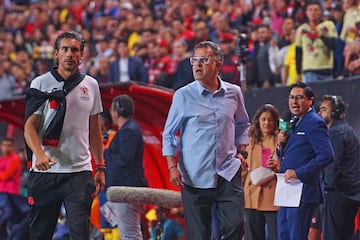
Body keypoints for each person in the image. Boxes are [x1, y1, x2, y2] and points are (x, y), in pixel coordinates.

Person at [162, 41, 250, 240]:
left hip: (228, 171)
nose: (197, 65)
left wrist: (242, 152)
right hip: (194, 176)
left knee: (236, 225)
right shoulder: (183, 95)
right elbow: (168, 133)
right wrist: (171, 166)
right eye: (195, 60)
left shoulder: (234, 93)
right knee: (199, 235)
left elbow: (243, 124)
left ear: (218, 63)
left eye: (204, 60)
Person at [24, 31, 105, 240]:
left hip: (80, 172)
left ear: (82, 55)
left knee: (80, 233)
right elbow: (29, 127)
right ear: (57, 54)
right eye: (65, 49)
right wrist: (39, 154)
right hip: (45, 171)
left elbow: (95, 129)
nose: (70, 54)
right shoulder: (40, 84)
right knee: (40, 234)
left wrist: (100, 165)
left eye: (75, 50)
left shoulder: (92, 85)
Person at [276, 82, 334, 240]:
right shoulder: (293, 122)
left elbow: (327, 155)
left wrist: (298, 173)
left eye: (299, 98)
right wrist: (280, 145)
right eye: (291, 97)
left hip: (302, 190)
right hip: (286, 189)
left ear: (311, 101)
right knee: (283, 234)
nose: (294, 102)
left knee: (296, 235)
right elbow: (291, 153)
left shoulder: (315, 122)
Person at [105, 94, 148, 240]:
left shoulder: (129, 130)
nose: (111, 113)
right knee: (128, 232)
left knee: (130, 233)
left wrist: (106, 154)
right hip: (123, 188)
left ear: (116, 112)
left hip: (126, 188)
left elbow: (124, 159)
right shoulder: (128, 129)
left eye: (111, 110)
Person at [317, 95, 360, 240]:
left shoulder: (335, 132)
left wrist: (325, 189)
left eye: (324, 109)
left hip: (336, 196)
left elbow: (331, 164)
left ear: (335, 112)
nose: (319, 113)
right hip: (350, 195)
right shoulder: (347, 129)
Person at [242, 104, 280, 240]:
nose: (267, 123)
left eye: (270, 119)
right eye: (263, 119)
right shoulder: (249, 140)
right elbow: (243, 167)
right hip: (251, 195)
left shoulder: (280, 140)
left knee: (276, 235)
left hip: (273, 197)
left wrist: (277, 166)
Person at [295, 0, 337, 83]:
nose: (313, 13)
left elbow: (334, 45)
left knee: (327, 95)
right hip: (309, 69)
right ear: (306, 12)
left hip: (326, 68)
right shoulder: (302, 29)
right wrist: (298, 72)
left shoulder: (328, 25)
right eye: (310, 10)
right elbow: (298, 52)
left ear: (321, 11)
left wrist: (321, 35)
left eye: (316, 10)